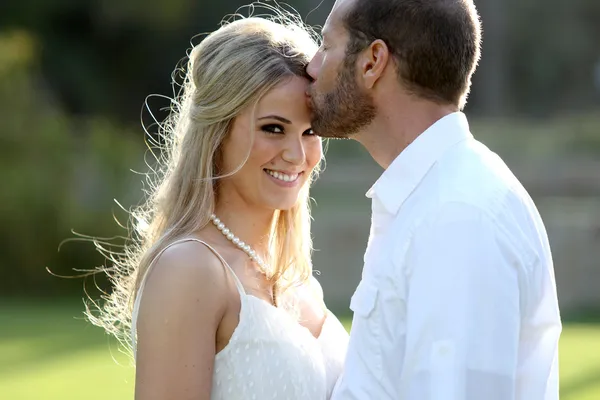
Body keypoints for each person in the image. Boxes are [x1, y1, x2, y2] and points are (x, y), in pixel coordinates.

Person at [306, 0, 562, 399]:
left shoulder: (458, 216)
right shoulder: (433, 200)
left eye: (326, 45)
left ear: (373, 61)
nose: (312, 66)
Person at [88, 13, 348, 400]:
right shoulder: (190, 269)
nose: (297, 155)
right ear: (218, 133)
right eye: (273, 128)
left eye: (310, 132)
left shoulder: (299, 281)